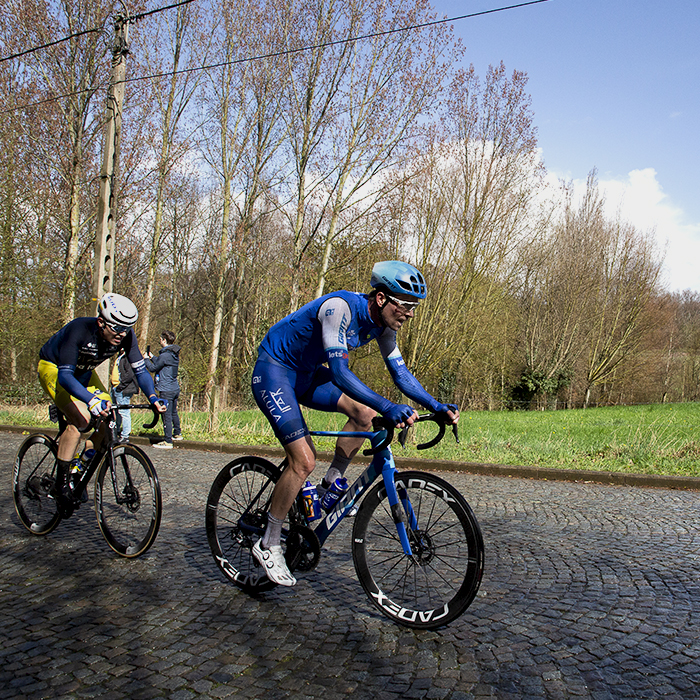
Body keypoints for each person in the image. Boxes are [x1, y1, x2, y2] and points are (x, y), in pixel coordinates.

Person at [250, 260, 459, 586]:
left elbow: (400, 374)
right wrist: (388, 405)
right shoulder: (339, 308)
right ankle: (269, 542)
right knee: (303, 460)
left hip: (304, 376)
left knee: (364, 415)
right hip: (274, 371)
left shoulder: (384, 328)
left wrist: (436, 404)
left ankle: (329, 487)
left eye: (414, 307)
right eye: (405, 306)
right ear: (381, 299)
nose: (410, 314)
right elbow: (340, 373)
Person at [38, 293, 167, 512]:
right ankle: (60, 485)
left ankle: (78, 468)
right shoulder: (79, 329)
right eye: (117, 328)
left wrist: (153, 398)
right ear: (101, 322)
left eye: (127, 328)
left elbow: (141, 371)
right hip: (55, 369)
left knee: (110, 419)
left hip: (85, 373)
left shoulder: (125, 334)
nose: (122, 334)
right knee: (82, 418)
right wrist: (90, 400)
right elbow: (65, 377)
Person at [144, 330, 182, 449]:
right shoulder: (173, 354)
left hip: (166, 389)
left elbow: (153, 368)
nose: (159, 341)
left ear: (164, 340)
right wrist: (153, 357)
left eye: (160, 339)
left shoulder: (165, 354)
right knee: (173, 412)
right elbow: (162, 363)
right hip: (174, 388)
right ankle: (177, 433)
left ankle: (167, 441)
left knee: (166, 415)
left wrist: (146, 359)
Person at [111, 347, 139, 443]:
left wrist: (121, 386)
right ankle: (117, 430)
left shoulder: (127, 357)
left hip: (123, 389)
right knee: (116, 411)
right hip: (116, 387)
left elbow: (130, 375)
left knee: (124, 412)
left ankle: (125, 435)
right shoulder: (120, 356)